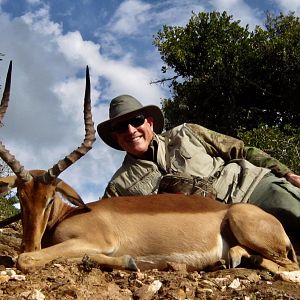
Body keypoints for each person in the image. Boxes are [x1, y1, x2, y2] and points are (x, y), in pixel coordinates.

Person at [97, 94, 300, 241]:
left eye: (136, 120)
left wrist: (287, 174)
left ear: (149, 122)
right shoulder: (119, 186)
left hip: (251, 188)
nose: (131, 130)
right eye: (121, 127)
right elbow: (99, 222)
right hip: (216, 231)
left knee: (294, 213)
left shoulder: (186, 133)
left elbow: (241, 150)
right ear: (115, 136)